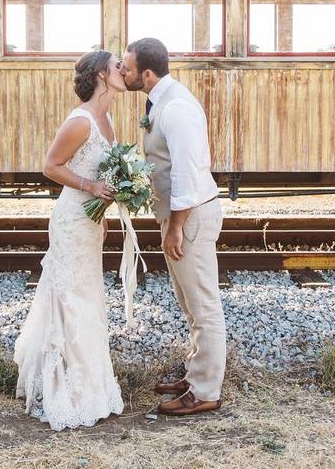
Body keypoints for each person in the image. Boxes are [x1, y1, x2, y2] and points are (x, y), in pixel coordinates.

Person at [13, 49, 127, 430]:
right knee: (69, 299)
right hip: (69, 220)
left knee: (88, 297)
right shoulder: (80, 122)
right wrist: (91, 186)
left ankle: (90, 381)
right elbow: (50, 166)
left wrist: (104, 210)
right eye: (117, 67)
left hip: (90, 223)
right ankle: (63, 387)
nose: (123, 71)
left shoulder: (107, 121)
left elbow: (104, 176)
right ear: (100, 74)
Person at [121, 37, 226, 416]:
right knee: (188, 301)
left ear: (146, 74)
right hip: (179, 216)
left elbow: (186, 172)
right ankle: (196, 374)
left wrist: (176, 226)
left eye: (126, 67)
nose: (121, 72)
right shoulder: (161, 101)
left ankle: (205, 391)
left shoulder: (177, 108)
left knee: (203, 305)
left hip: (191, 217)